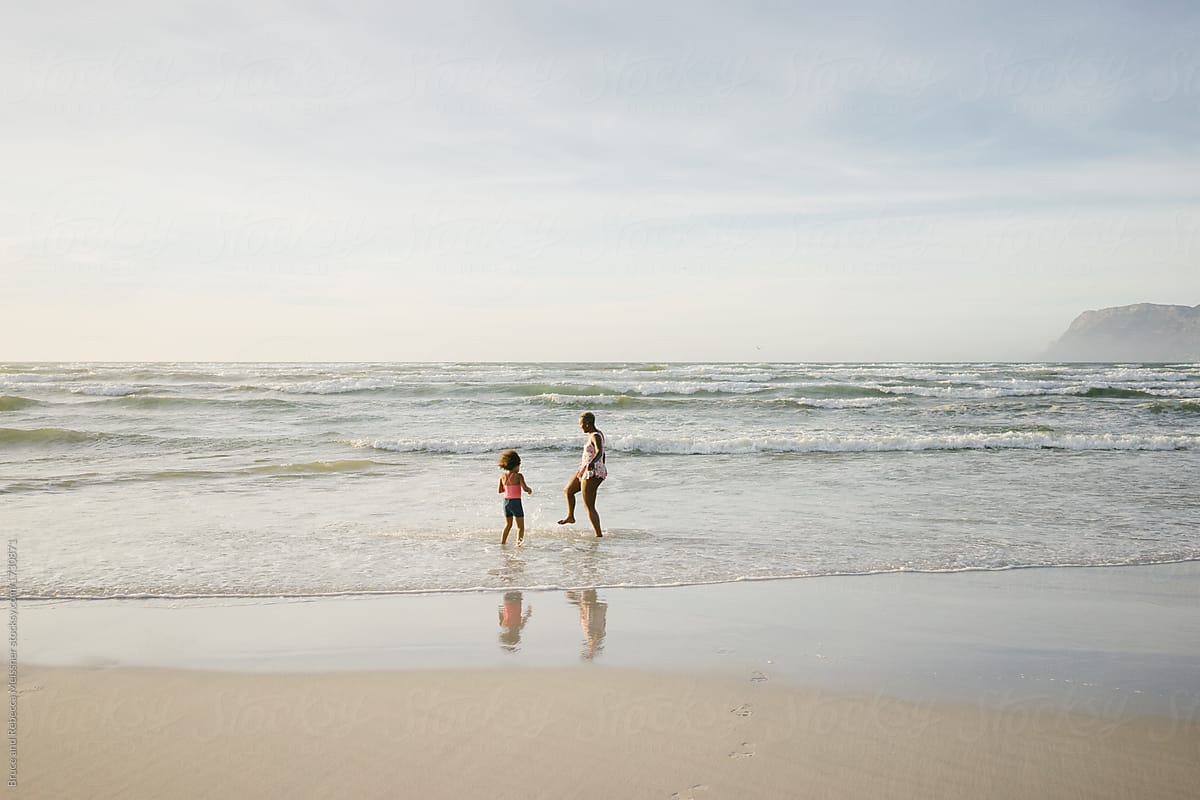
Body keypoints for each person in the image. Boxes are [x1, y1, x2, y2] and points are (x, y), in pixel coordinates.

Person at [557, 412, 605, 537]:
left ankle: (598, 534)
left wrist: (595, 464)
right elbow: (602, 454)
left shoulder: (595, 436)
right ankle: (570, 516)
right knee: (568, 490)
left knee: (589, 505)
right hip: (586, 470)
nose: (580, 427)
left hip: (592, 472)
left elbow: (600, 451)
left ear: (588, 424)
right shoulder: (594, 434)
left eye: (581, 424)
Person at [497, 449, 533, 545]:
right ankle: (518, 545)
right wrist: (529, 489)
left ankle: (502, 543)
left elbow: (500, 490)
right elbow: (525, 488)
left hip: (506, 502)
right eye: (519, 465)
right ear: (515, 465)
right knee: (520, 527)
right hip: (516, 502)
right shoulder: (519, 476)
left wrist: (509, 488)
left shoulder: (502, 476)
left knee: (508, 524)